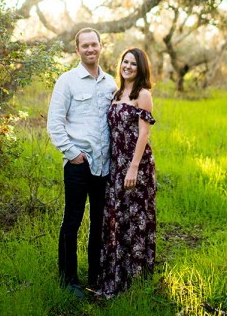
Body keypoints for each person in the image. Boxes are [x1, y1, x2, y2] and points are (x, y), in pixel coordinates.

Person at [47, 27, 118, 298]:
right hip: (78, 165)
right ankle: (69, 279)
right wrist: (72, 153)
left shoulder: (111, 83)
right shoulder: (67, 81)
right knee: (72, 222)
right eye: (84, 46)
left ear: (101, 47)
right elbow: (54, 124)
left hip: (104, 166)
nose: (90, 49)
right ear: (77, 50)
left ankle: (97, 277)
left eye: (94, 45)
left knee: (100, 223)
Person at [98, 47, 157, 298]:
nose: (128, 66)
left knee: (135, 219)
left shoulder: (142, 94)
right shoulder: (116, 93)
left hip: (137, 166)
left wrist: (133, 167)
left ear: (140, 68)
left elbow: (144, 134)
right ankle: (114, 277)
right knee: (116, 217)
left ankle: (134, 281)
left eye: (133, 63)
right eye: (125, 62)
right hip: (116, 164)